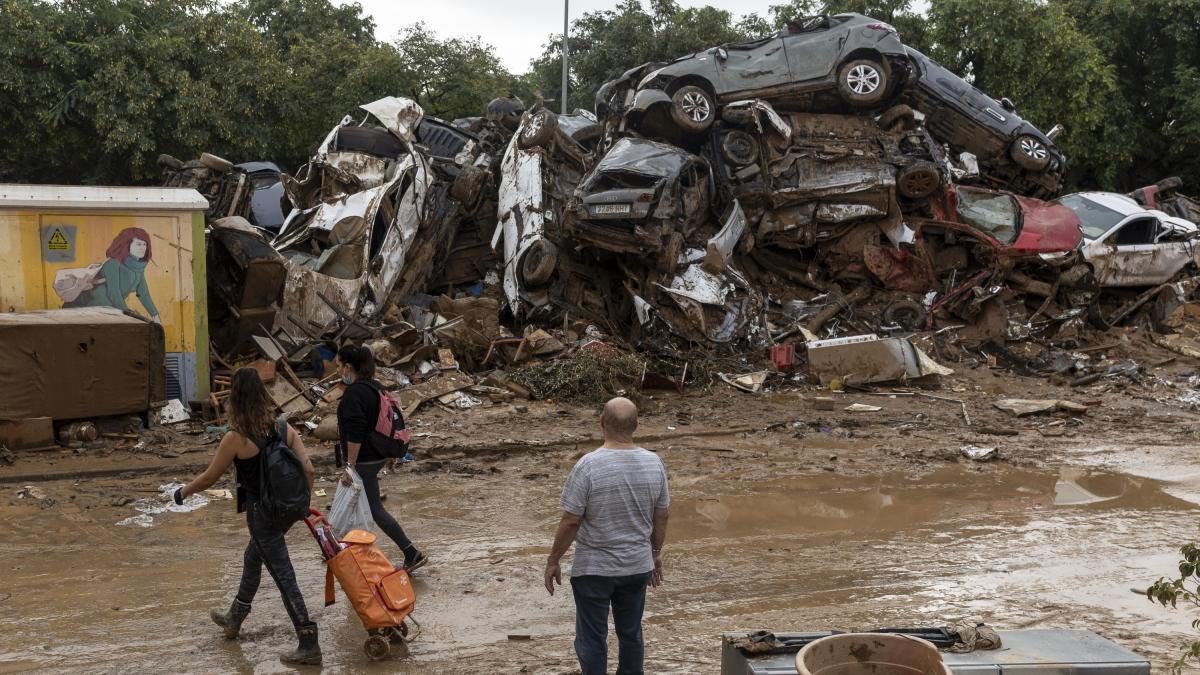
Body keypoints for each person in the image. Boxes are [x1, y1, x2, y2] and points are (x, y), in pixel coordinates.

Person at [172, 367, 321, 666]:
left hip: (261, 513)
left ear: (235, 398)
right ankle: (234, 617)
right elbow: (309, 470)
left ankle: (308, 642)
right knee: (253, 557)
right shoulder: (283, 427)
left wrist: (182, 492)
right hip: (287, 509)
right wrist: (300, 505)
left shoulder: (236, 438)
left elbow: (210, 478)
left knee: (283, 575)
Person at [544, 397, 670, 675]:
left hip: (593, 571)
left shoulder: (587, 465)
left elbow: (571, 521)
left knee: (591, 638)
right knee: (631, 634)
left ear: (601, 423)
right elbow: (661, 515)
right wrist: (655, 553)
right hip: (637, 567)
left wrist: (553, 560)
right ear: (637, 425)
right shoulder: (654, 463)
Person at [336, 343, 428, 571]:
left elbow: (355, 434)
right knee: (360, 508)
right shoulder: (375, 387)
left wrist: (350, 466)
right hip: (376, 455)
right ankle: (351, 557)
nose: (338, 371)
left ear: (348, 367)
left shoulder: (354, 394)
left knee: (369, 510)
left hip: (363, 460)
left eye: (339, 366)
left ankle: (410, 553)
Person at [63, 227, 161, 323]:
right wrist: (127, 313)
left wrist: (155, 316)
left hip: (111, 308)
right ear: (126, 245)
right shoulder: (113, 263)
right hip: (90, 305)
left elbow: (143, 294)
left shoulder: (138, 269)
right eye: (138, 244)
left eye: (145, 244)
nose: (143, 248)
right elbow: (114, 292)